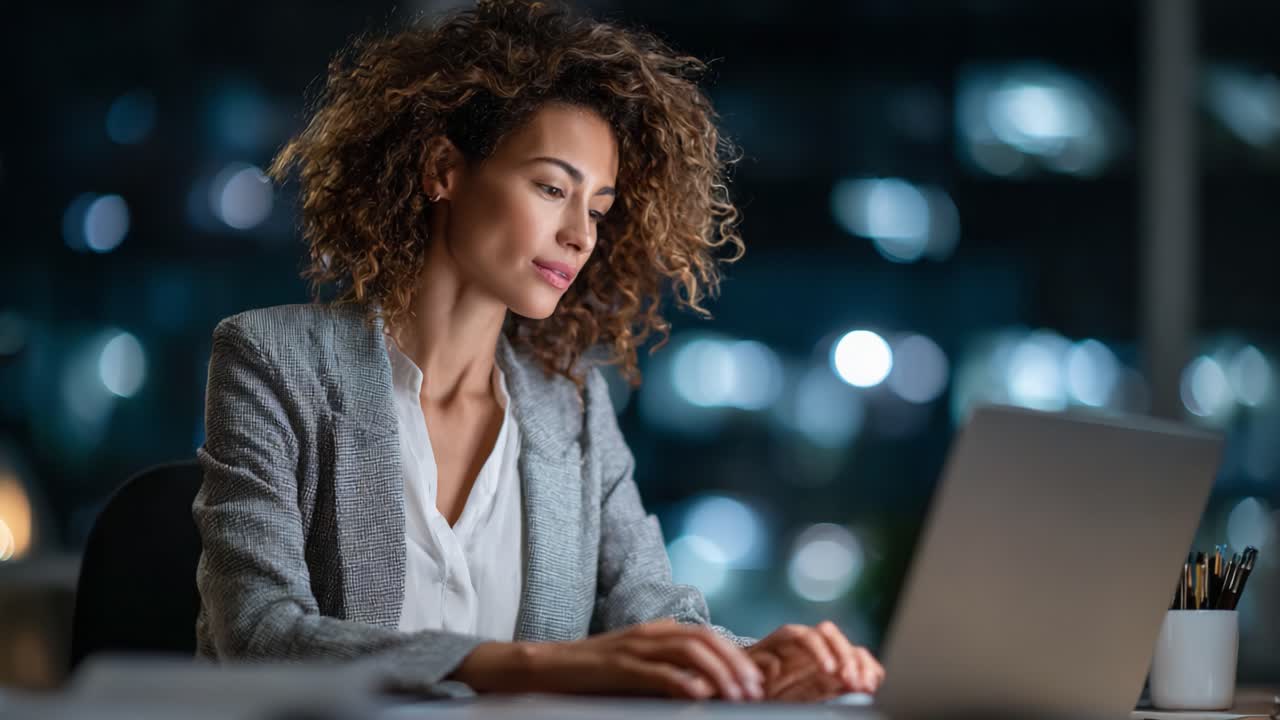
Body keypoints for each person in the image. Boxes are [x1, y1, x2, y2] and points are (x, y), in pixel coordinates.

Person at [193, 0, 884, 703]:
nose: (580, 236)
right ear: (443, 170)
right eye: (552, 188)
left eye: (597, 209)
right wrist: (533, 665)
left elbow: (654, 618)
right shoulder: (270, 359)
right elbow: (260, 633)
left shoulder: (570, 406)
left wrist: (764, 662)